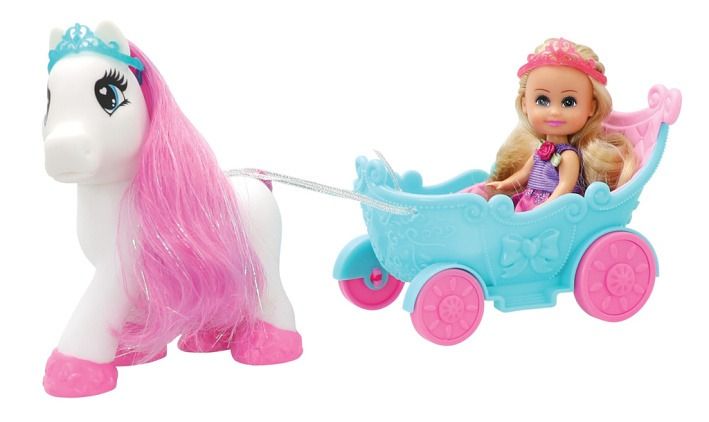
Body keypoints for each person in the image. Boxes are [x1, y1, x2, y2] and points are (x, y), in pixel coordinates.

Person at [463, 38, 636, 212]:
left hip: (555, 209)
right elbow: (523, 175)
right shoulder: (540, 150)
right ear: (525, 104)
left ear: (591, 107)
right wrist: (504, 184)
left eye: (569, 102)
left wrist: (545, 208)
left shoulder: (568, 155)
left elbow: (565, 186)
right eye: (542, 100)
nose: (554, 111)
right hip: (530, 201)